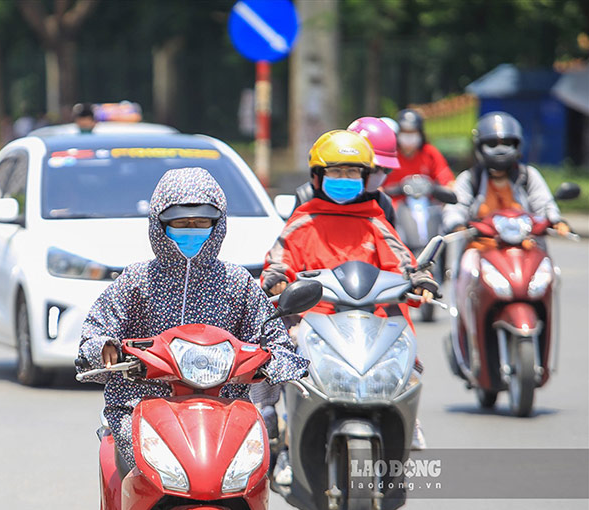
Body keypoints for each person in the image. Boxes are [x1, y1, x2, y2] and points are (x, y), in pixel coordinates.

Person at [77, 167, 309, 468]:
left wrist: (278, 361)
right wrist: (104, 347)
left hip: (226, 409)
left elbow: (274, 338)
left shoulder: (236, 282)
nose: (192, 229)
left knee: (255, 468)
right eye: (181, 223)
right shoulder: (137, 279)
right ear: (159, 224)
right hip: (142, 404)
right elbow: (96, 330)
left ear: (218, 224)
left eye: (201, 222)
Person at [258, 131, 437, 472]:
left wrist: (419, 279)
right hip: (313, 323)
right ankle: (272, 430)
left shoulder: (375, 222)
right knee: (273, 361)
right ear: (318, 177)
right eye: (337, 172)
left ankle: (404, 421)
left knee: (408, 362)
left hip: (373, 322)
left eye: (353, 173)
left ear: (365, 177)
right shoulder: (301, 223)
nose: (345, 180)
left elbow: (402, 264)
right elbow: (279, 261)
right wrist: (277, 279)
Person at [443, 111, 570, 236]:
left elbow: (544, 204)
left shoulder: (528, 176)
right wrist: (457, 225)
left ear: (517, 145)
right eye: (492, 144)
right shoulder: (470, 178)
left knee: (545, 258)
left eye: (507, 143)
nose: (500, 149)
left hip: (526, 247)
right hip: (480, 248)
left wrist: (556, 221)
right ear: (480, 147)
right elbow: (456, 208)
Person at [294, 116, 400, 226]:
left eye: (386, 169)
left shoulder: (382, 204)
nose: (379, 175)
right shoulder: (308, 197)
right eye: (374, 169)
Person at [383, 108, 455, 205]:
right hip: (394, 208)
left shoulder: (430, 153)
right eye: (405, 132)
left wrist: (433, 188)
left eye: (412, 132)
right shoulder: (390, 154)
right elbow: (378, 188)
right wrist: (399, 188)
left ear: (420, 133)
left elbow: (449, 184)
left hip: (427, 208)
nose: (408, 137)